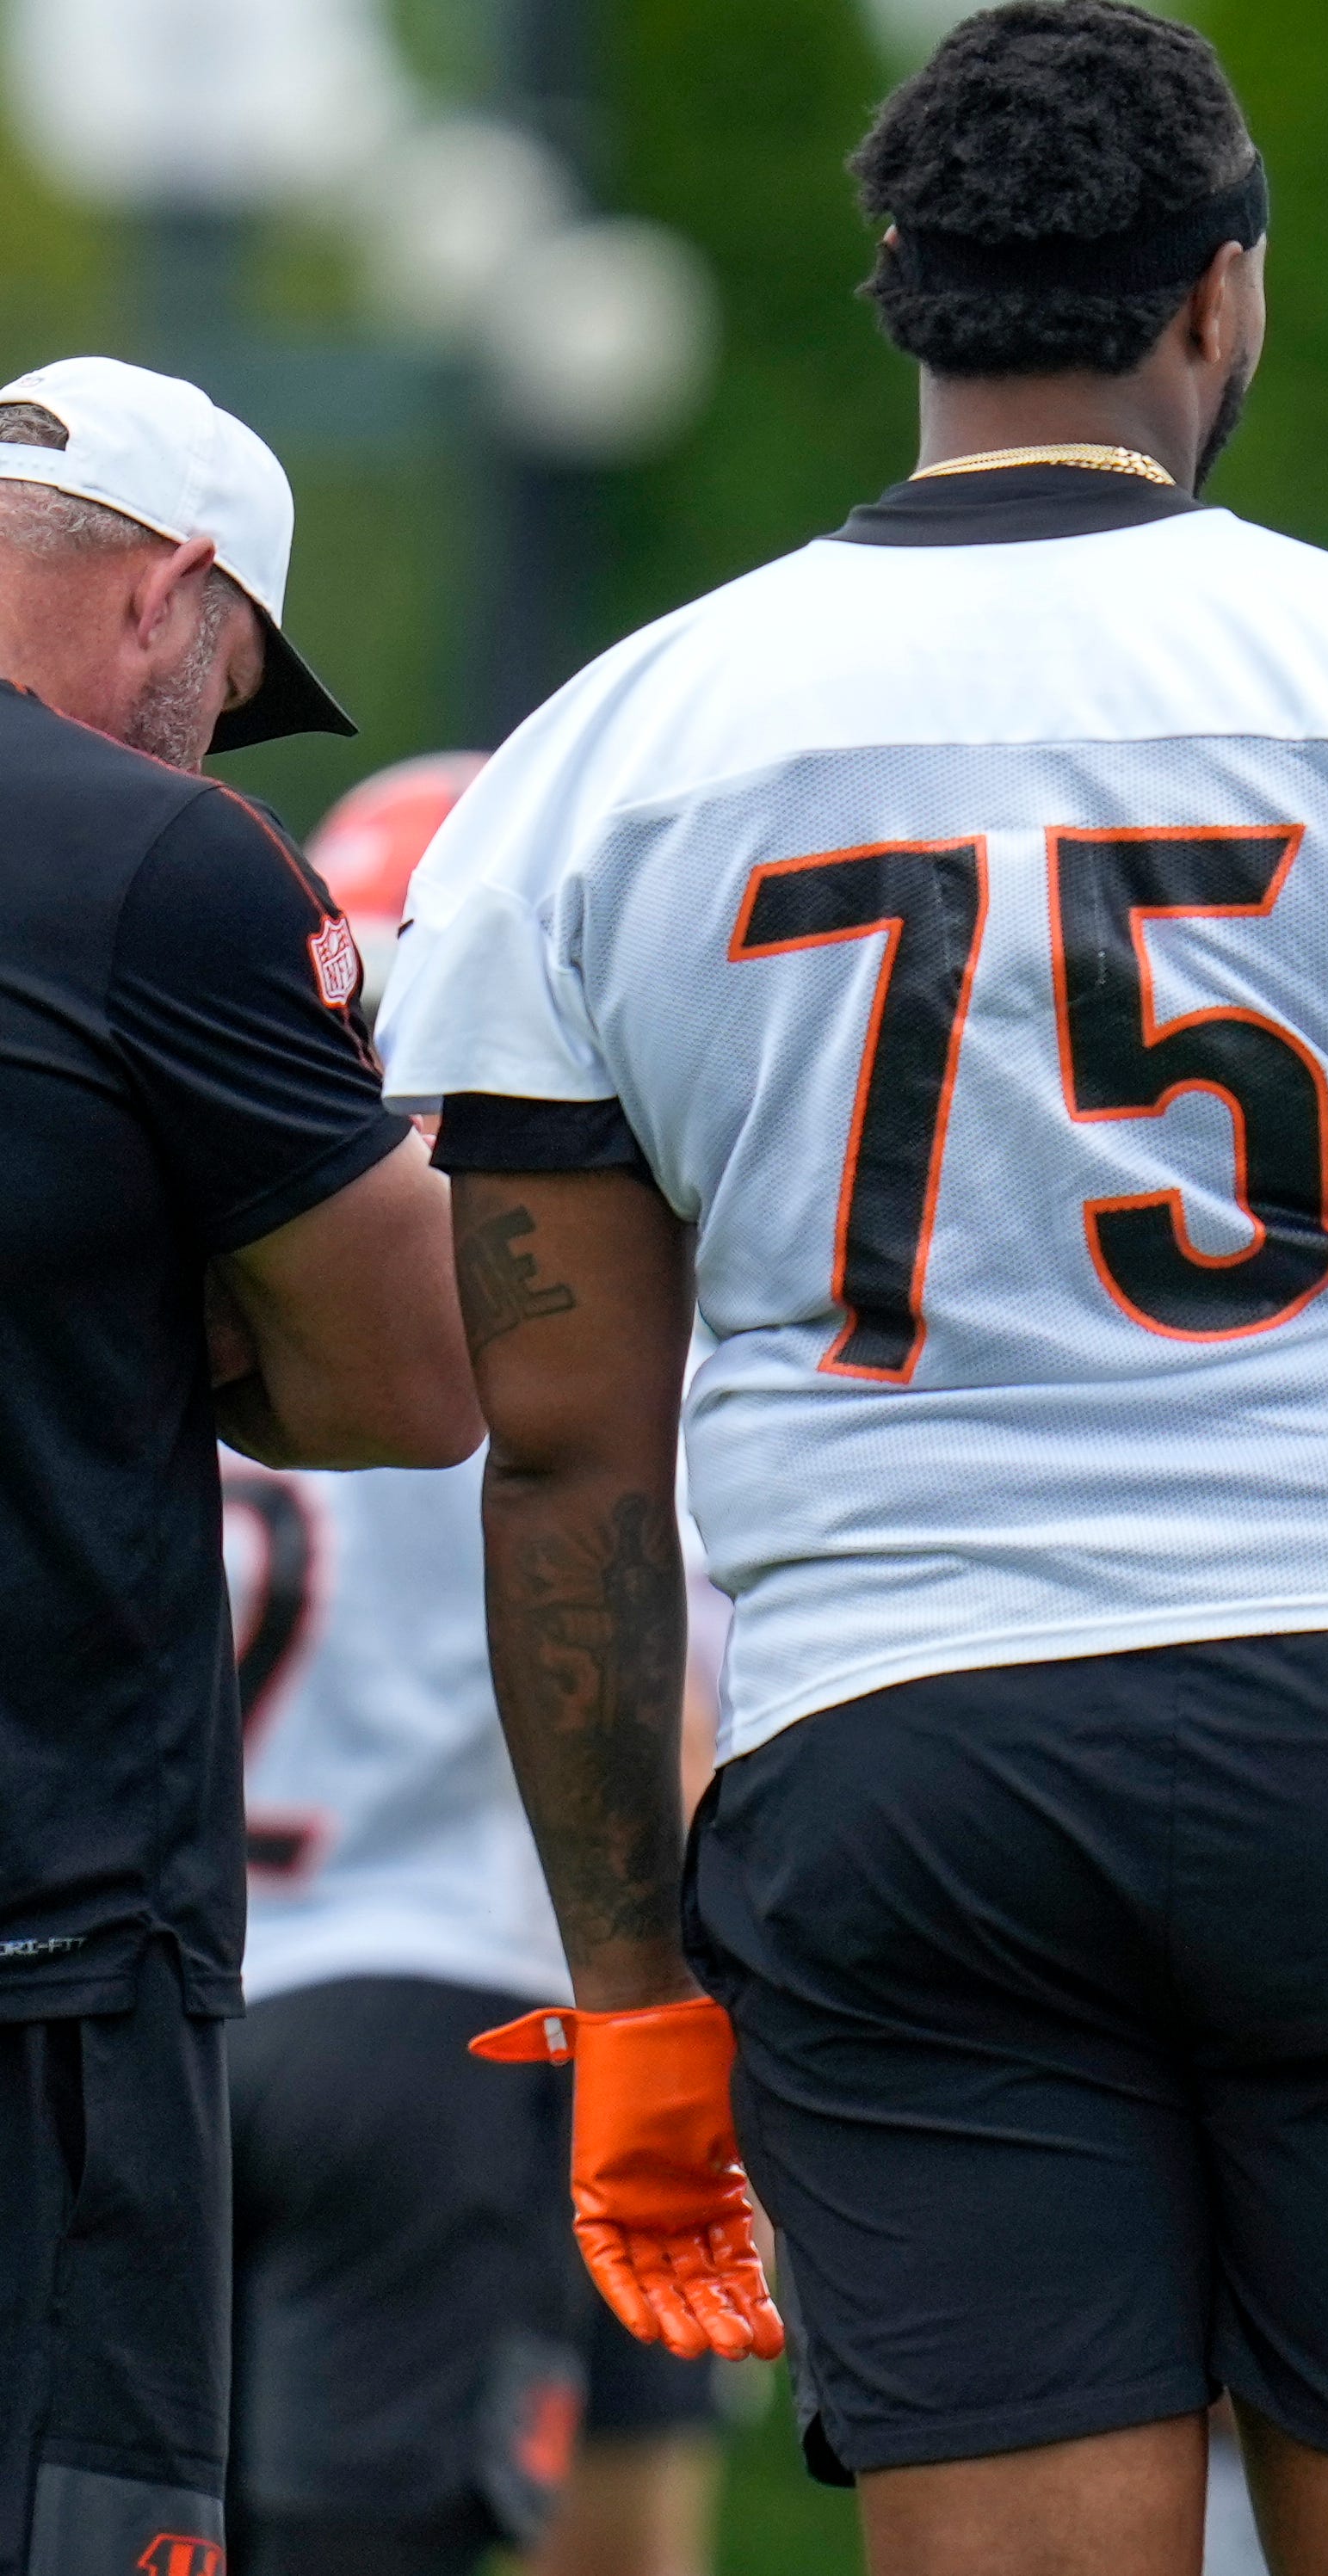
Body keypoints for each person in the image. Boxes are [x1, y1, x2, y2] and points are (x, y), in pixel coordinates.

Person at [372, 9, 1328, 2573]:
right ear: (1219, 300)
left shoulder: (604, 760)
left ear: (899, 296)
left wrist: (629, 1986)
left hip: (897, 1739)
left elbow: (572, 1445)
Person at [0, 356, 476, 2576]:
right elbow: (407, 1383)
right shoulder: (152, 856)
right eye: (233, 686)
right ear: (175, 589)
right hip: (56, 1942)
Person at [225, 754, 728, 2576]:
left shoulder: (198, 1254)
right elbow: (664, 1699)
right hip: (443, 1993)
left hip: (154, 1995)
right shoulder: (561, 1284)